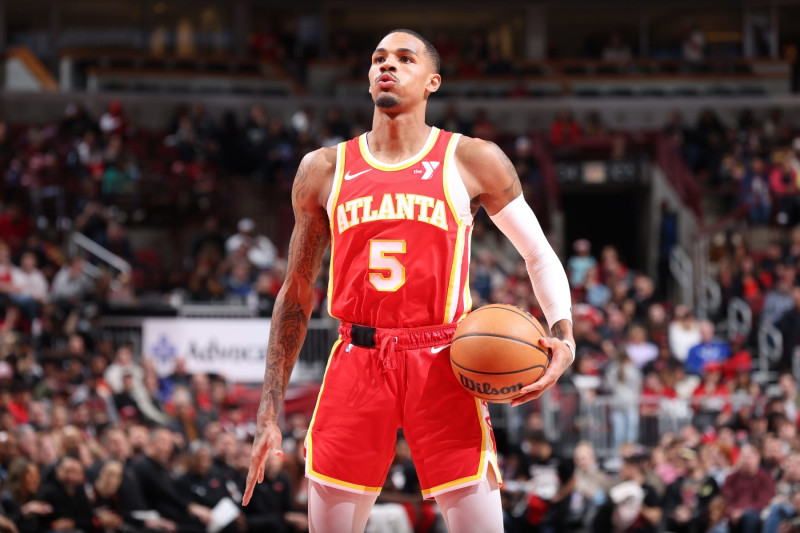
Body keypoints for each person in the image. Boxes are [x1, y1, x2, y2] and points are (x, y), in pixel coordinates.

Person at [244, 29, 575, 532]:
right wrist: (268, 410)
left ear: (432, 82)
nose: (387, 66)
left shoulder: (471, 158)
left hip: (443, 359)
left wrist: (564, 333)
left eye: (404, 58)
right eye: (378, 58)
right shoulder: (324, 168)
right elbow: (295, 291)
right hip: (357, 358)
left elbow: (538, 253)